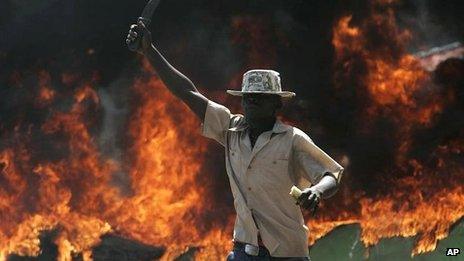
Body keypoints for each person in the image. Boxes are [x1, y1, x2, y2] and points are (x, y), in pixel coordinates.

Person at [126, 21, 343, 261]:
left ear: (277, 104)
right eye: (248, 97)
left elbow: (330, 175)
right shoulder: (230, 129)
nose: (252, 102)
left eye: (261, 97)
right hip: (244, 251)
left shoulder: (292, 140)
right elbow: (187, 92)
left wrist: (316, 191)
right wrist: (149, 51)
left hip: (286, 253)